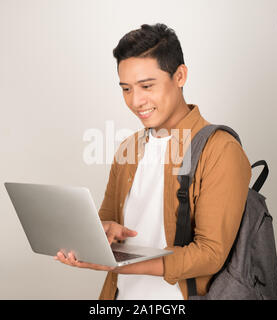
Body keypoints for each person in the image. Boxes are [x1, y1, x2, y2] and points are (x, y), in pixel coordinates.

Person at [54, 23, 252, 300]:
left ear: (180, 75)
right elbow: (106, 218)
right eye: (126, 89)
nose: (136, 101)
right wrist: (101, 233)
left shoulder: (220, 150)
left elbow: (210, 254)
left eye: (147, 86)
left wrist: (118, 264)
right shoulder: (129, 148)